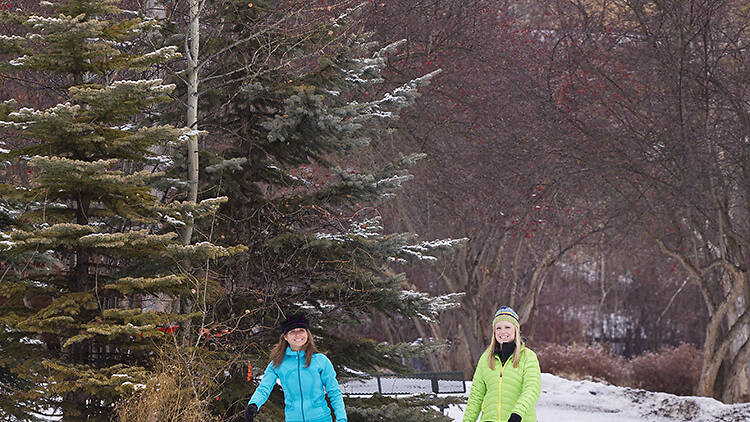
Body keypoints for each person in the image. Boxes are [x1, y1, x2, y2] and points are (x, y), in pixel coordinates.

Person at [246, 313, 347, 422]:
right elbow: (264, 388)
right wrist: (254, 404)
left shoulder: (320, 361)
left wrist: (341, 418)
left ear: (307, 334)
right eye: (292, 331)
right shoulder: (278, 363)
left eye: (301, 330)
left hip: (321, 418)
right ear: (285, 336)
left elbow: (334, 392)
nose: (298, 335)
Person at [463, 306, 541, 422]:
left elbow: (532, 389)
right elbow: (476, 396)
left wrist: (517, 413)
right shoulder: (486, 359)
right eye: (498, 328)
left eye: (507, 327)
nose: (502, 332)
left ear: (516, 329)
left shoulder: (528, 357)